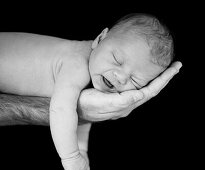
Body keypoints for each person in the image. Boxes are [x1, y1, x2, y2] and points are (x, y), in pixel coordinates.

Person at [0, 13, 181, 170]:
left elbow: (83, 116)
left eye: (135, 80)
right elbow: (62, 110)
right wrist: (72, 158)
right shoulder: (77, 64)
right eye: (117, 60)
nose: (121, 78)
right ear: (99, 39)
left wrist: (82, 150)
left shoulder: (96, 69)